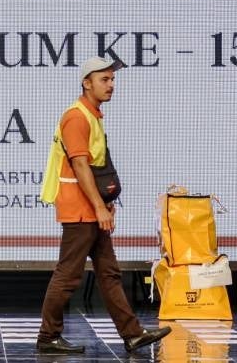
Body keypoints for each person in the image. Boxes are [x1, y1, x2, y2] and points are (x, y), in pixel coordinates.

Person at [37, 56, 171, 355]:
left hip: (92, 206)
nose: (111, 85)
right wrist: (98, 207)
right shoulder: (76, 117)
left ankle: (132, 333)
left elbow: (97, 167)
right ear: (87, 83)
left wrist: (105, 204)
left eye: (112, 80)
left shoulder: (92, 114)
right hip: (80, 208)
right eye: (105, 80)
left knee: (108, 272)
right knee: (68, 274)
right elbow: (81, 165)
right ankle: (48, 337)